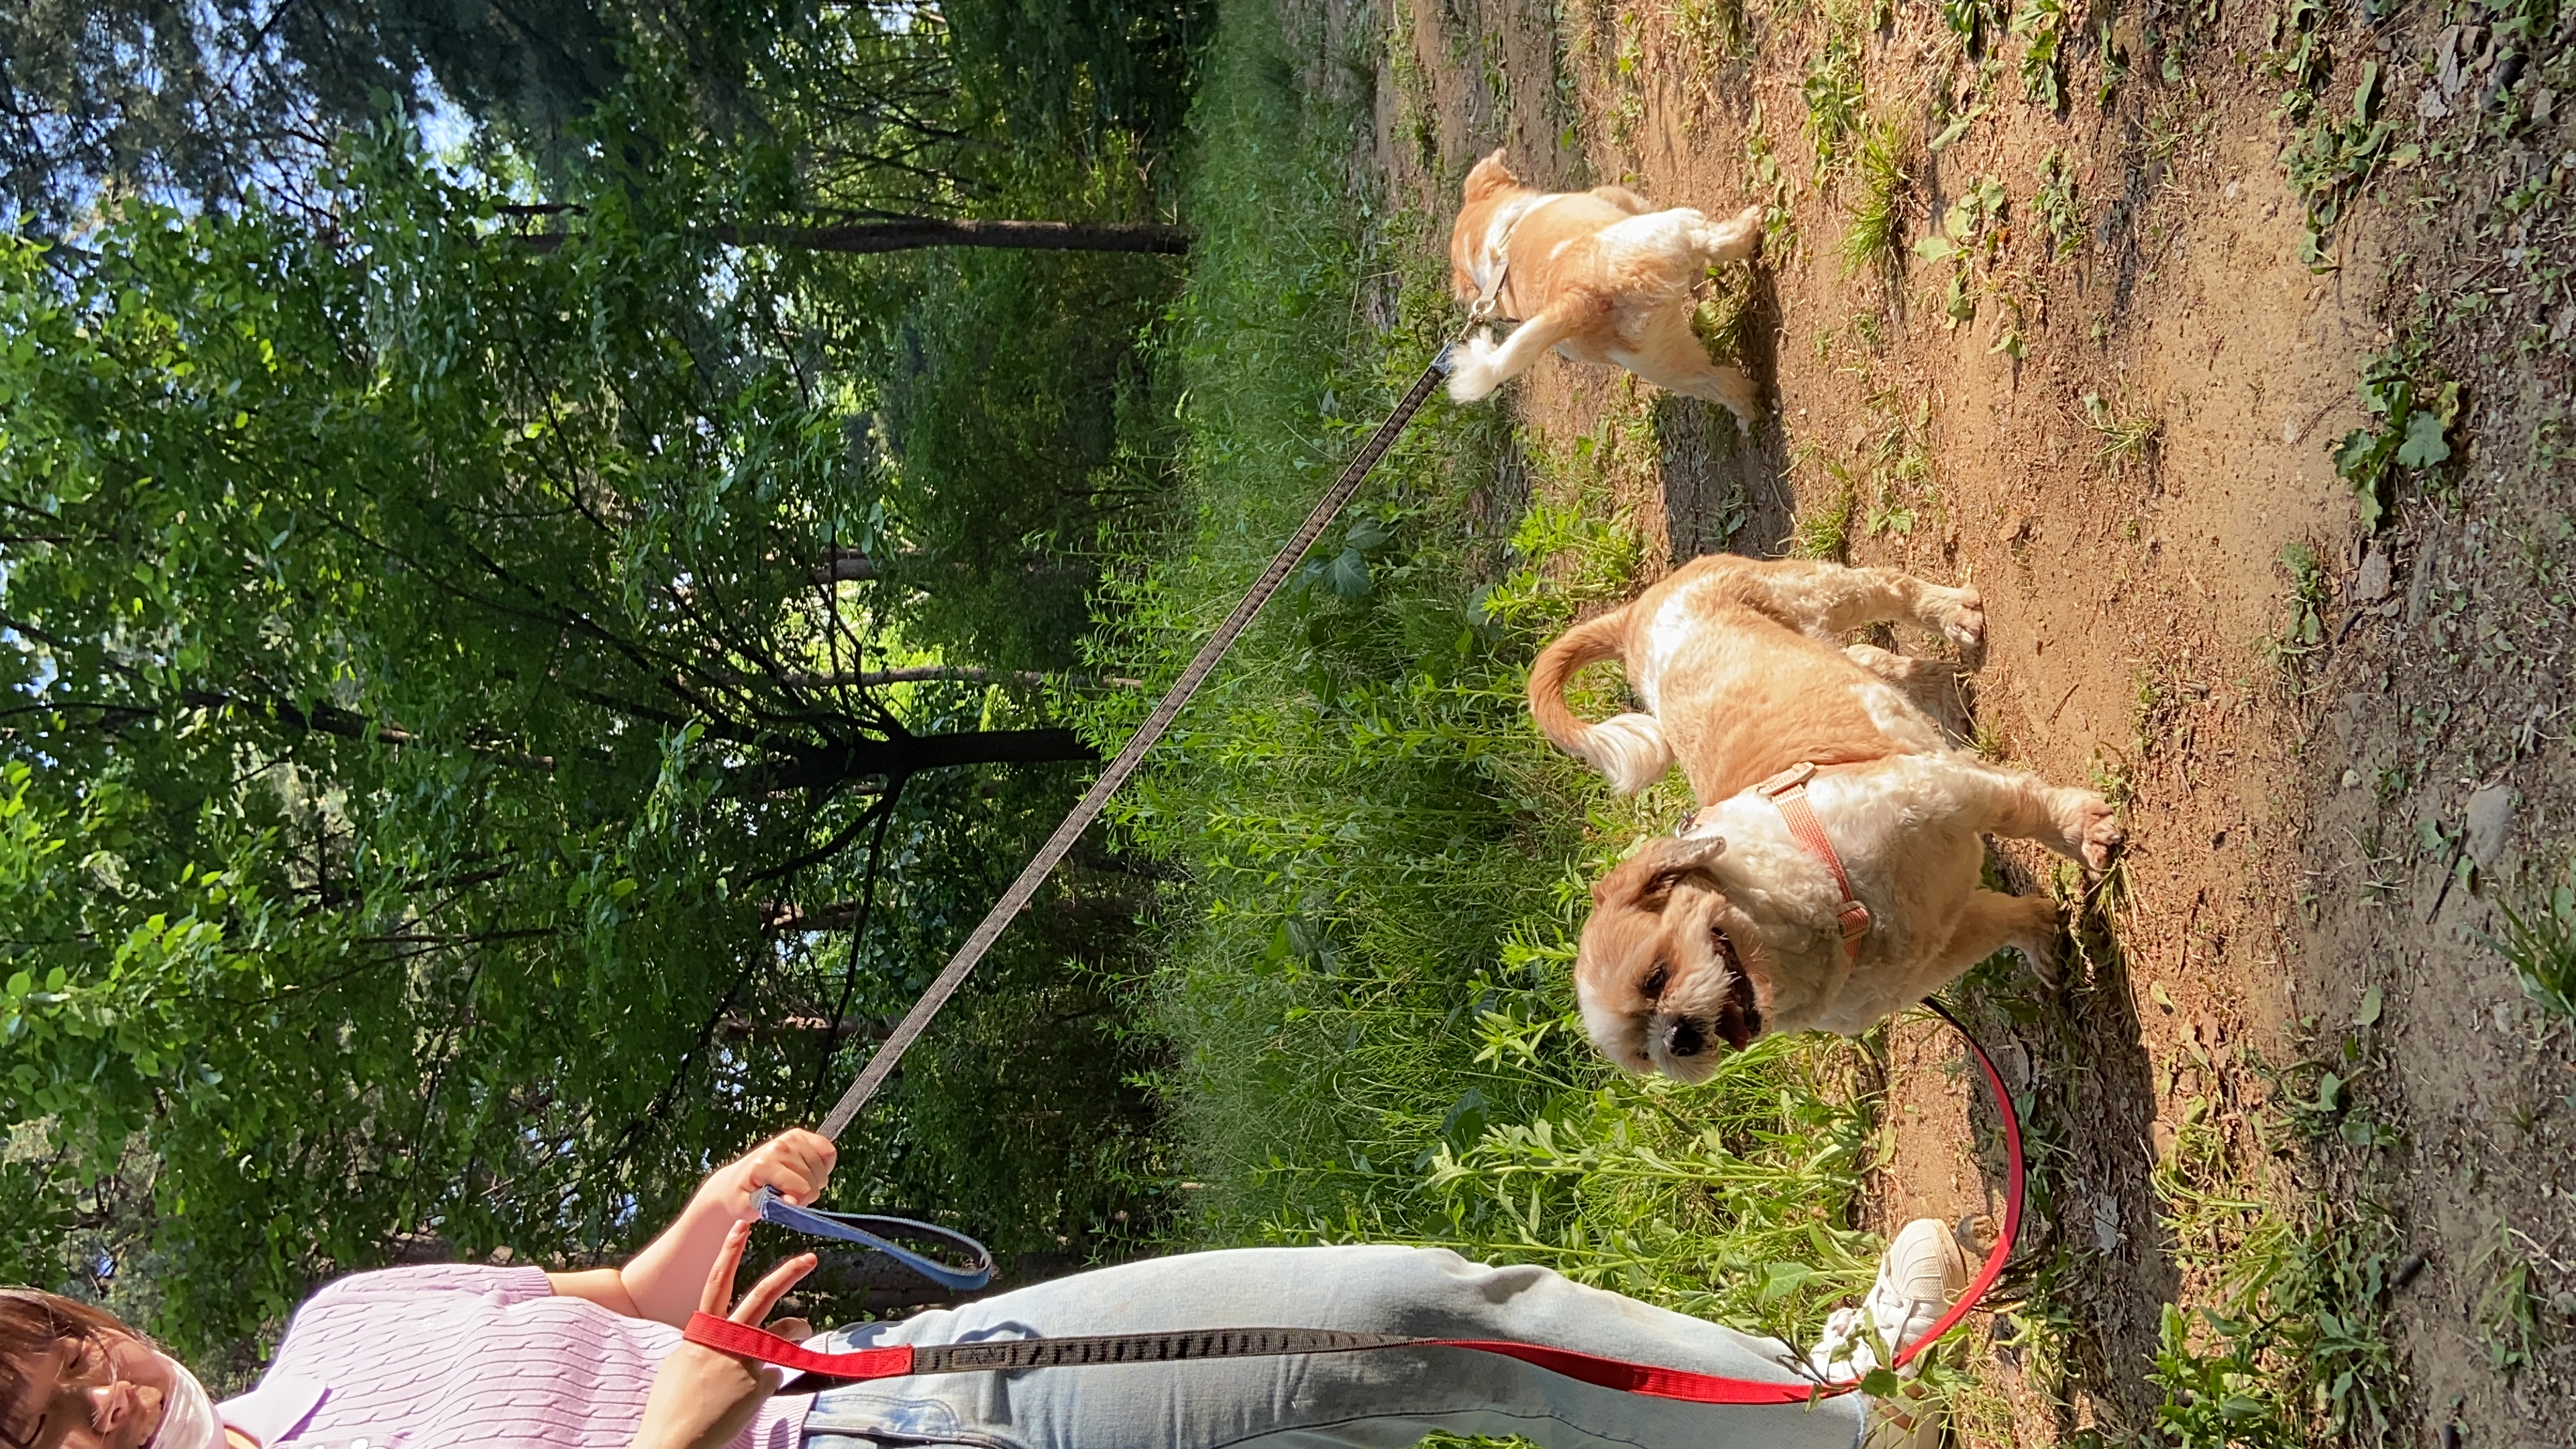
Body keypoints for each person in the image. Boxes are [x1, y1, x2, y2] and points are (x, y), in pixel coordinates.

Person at [1, 1130, 1968, 1449]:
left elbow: (600, 1297)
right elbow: (656, 1396)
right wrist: (679, 1422)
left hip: (904, 1384)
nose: (102, 1395)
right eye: (53, 1433)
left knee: (1391, 1313)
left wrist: (708, 1213)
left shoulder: (343, 1322)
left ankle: (1823, 1408)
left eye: (67, 1356)